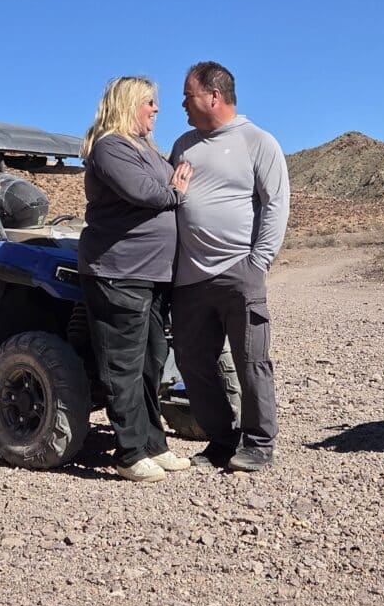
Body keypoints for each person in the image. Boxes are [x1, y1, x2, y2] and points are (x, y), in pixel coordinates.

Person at [170, 61, 290, 471]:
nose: (182, 104)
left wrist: (259, 262)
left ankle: (258, 444)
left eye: (189, 95)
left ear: (214, 96)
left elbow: (275, 205)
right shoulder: (183, 144)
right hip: (188, 278)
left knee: (250, 359)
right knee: (192, 362)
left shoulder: (257, 142)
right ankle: (221, 441)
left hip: (239, 271)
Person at [79, 76, 193, 482]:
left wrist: (172, 185)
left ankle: (153, 445)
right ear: (128, 104)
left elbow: (163, 183)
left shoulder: (143, 147)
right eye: (149, 102)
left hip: (152, 275)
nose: (156, 110)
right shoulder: (110, 146)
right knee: (122, 365)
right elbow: (145, 192)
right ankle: (128, 454)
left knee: (151, 362)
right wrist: (175, 190)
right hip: (118, 272)